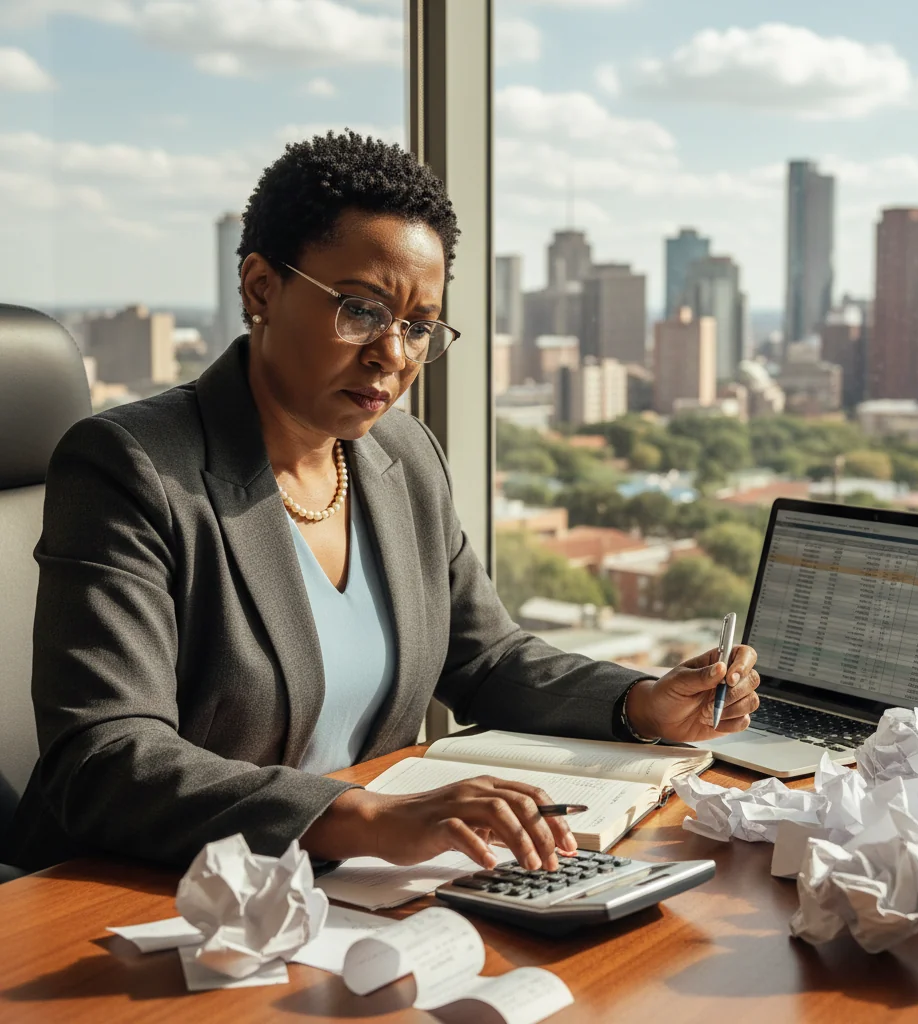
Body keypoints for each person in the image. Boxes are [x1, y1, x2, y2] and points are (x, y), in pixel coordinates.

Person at [7, 131, 759, 876]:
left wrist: (641, 704)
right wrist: (362, 817)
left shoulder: (404, 455)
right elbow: (105, 758)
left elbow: (486, 659)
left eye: (419, 326)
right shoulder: (133, 466)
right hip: (141, 893)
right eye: (361, 311)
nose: (393, 355)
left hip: (352, 886)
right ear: (261, 287)